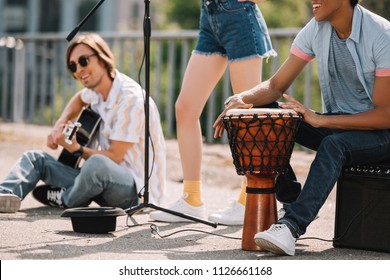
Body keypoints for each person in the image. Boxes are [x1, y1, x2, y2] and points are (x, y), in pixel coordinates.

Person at [214, 0, 390, 255]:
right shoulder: (316, 28)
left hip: (381, 134)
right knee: (272, 113)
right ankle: (293, 199)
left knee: (334, 144)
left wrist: (321, 120)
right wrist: (242, 100)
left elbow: (384, 116)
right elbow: (275, 86)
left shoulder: (382, 35)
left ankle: (291, 227)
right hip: (343, 125)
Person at [0, 33, 166, 213]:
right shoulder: (97, 91)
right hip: (97, 182)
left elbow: (115, 157)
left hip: (135, 193)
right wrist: (60, 124)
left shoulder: (131, 100)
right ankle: (5, 195)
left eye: (83, 61)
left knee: (96, 164)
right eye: (73, 66)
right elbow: (79, 98)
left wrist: (77, 149)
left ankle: (66, 198)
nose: (78, 69)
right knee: (35, 158)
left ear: (102, 59)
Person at [149, 0, 276, 225]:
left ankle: (250, 199)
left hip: (238, 17)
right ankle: (192, 200)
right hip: (209, 16)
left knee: (246, 116)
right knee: (185, 108)